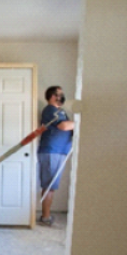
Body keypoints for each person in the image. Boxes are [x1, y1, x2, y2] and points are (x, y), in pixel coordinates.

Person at [37, 86, 74, 226]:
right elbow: (63, 126)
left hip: (60, 151)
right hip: (51, 151)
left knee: (52, 185)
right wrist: (80, 122)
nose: (62, 96)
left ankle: (46, 216)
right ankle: (45, 217)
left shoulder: (61, 111)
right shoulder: (49, 110)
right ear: (53, 96)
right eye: (60, 94)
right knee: (49, 185)